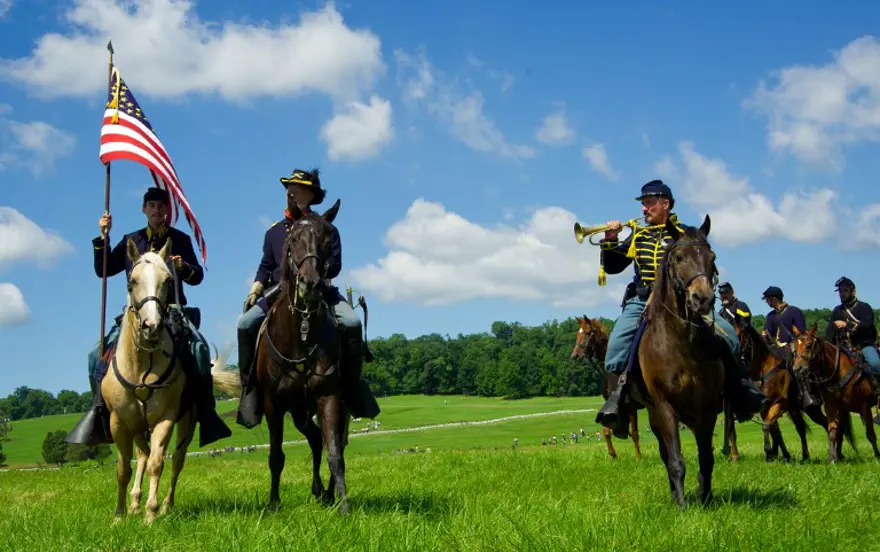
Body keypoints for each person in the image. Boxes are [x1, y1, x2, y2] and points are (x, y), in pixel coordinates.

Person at [594, 179, 766, 437]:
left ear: (665, 203)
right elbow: (612, 267)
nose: (644, 210)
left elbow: (703, 266)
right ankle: (618, 403)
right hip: (642, 300)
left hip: (683, 302)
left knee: (729, 335)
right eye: (643, 205)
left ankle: (743, 392)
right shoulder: (637, 236)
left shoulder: (685, 234)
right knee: (616, 348)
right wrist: (610, 238)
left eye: (649, 204)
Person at [66, 187, 232, 448]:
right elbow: (103, 269)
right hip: (135, 314)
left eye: (161, 206)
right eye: (152, 206)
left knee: (199, 350)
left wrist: (183, 267)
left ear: (167, 210)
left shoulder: (180, 239)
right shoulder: (132, 240)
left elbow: (197, 276)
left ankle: (206, 412)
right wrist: (103, 237)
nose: (157, 210)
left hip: (173, 311)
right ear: (144, 209)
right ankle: (100, 410)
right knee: (93, 355)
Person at [236, 168, 379, 428]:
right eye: (290, 188)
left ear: (311, 195)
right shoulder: (273, 232)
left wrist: (315, 272)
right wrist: (255, 288)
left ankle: (352, 386)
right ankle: (250, 389)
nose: (292, 192)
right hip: (278, 293)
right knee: (244, 324)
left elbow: (335, 266)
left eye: (299, 188)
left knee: (352, 323)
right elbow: (266, 266)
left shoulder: (326, 228)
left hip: (319, 290)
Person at [761, 285, 815, 410]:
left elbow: (801, 333)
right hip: (776, 350)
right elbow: (769, 333)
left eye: (768, 299)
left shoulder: (793, 311)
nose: (767, 302)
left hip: (792, 347)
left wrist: (791, 344)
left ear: (774, 299)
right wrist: (764, 335)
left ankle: (806, 394)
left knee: (797, 368)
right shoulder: (770, 316)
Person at [825, 277, 880, 384]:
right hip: (842, 347)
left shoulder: (864, 307)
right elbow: (829, 332)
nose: (842, 294)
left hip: (862, 346)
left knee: (875, 365)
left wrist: (847, 325)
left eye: (845, 291)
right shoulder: (837, 310)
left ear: (853, 291)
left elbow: (867, 325)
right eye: (840, 291)